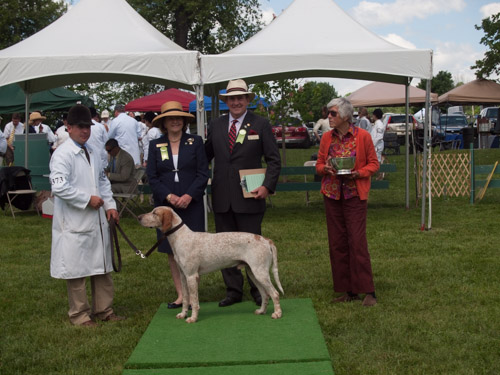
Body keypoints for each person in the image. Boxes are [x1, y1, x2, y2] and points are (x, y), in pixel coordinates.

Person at [205, 79, 281, 308]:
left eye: (240, 98)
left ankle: (259, 289)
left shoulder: (261, 123)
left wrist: (267, 186)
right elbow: (205, 155)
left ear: (248, 100)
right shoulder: (216, 125)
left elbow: (274, 160)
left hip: (251, 196)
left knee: (252, 248)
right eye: (232, 98)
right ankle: (233, 291)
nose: (236, 102)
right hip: (222, 197)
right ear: (226, 101)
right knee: (224, 248)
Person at [49, 104, 124, 327]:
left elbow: (102, 181)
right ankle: (80, 315)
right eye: (80, 127)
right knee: (77, 270)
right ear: (68, 127)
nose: (85, 131)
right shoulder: (62, 154)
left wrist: (110, 205)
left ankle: (104, 310)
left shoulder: (93, 151)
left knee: (101, 265)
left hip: (97, 219)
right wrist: (86, 199)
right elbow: (59, 187)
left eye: (87, 127)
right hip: (74, 220)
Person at [315, 97, 379, 307]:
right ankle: (349, 290)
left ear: (345, 116)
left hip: (354, 195)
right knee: (337, 244)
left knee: (357, 242)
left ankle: (368, 291)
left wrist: (358, 173)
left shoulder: (363, 137)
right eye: (329, 113)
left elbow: (374, 164)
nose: (329, 117)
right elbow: (319, 164)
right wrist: (326, 169)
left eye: (333, 113)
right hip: (332, 195)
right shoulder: (326, 138)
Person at [146, 101, 209, 309]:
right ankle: (182, 296)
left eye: (178, 117)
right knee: (173, 251)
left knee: (193, 250)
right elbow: (152, 177)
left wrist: (189, 195)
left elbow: (203, 173)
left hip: (191, 204)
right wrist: (169, 197)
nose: (175, 121)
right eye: (170, 118)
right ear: (163, 122)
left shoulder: (195, 141)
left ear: (184, 120)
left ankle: (195, 295)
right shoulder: (155, 145)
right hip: (166, 208)